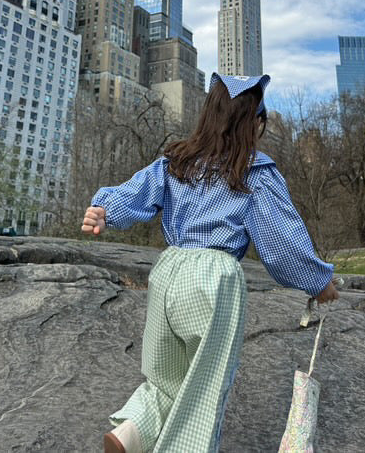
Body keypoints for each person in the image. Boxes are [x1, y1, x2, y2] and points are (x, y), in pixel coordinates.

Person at [81, 73, 339, 453]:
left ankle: (132, 431)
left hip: (168, 272)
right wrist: (318, 280)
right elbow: (282, 245)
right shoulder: (255, 173)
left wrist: (104, 210)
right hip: (214, 282)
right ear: (254, 123)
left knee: (165, 377)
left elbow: (135, 192)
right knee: (204, 388)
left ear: (208, 115)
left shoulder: (176, 161)